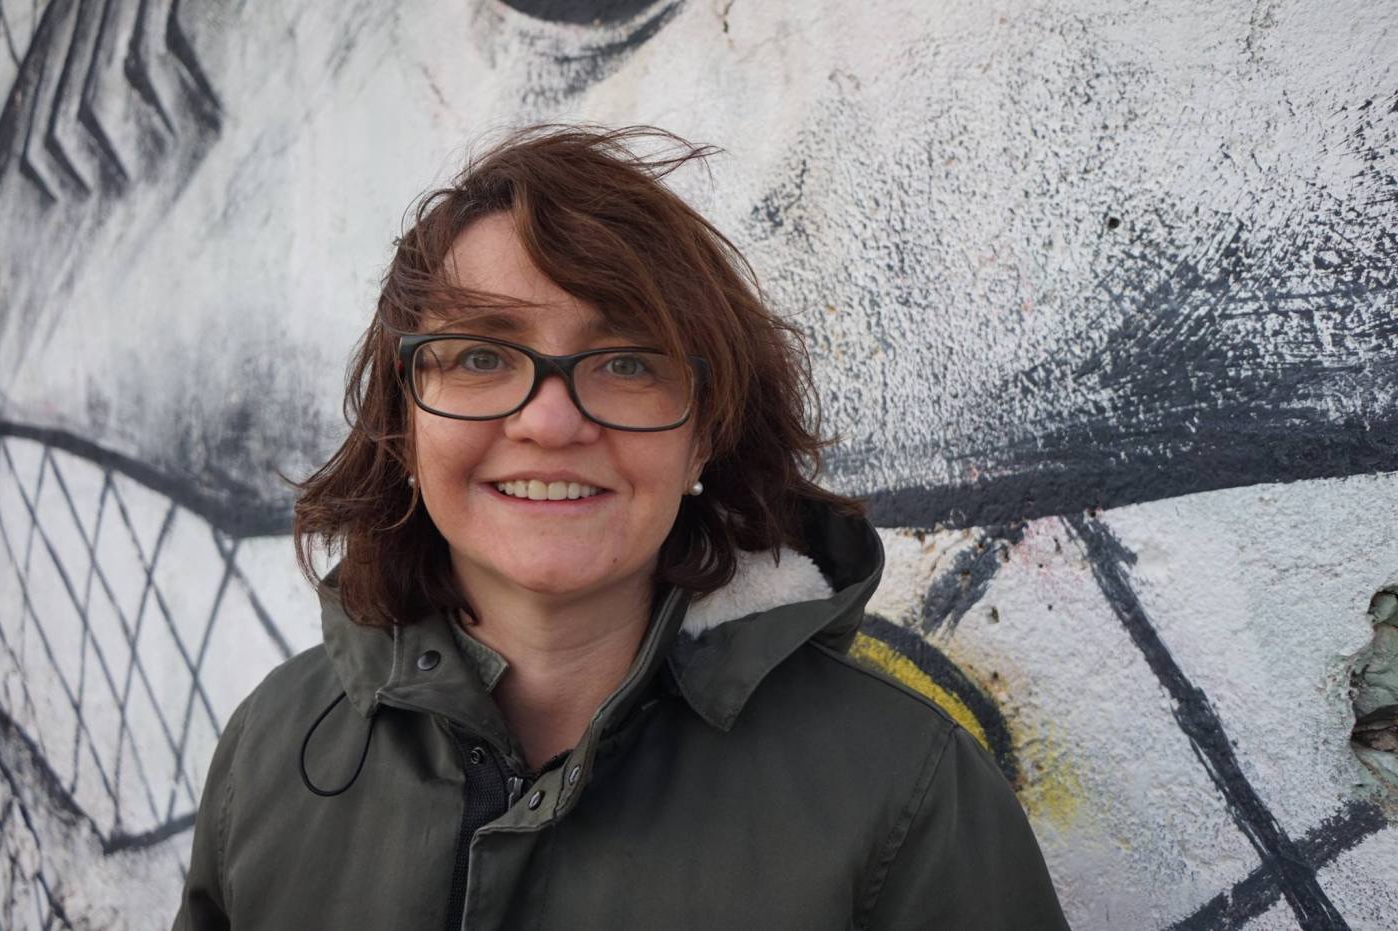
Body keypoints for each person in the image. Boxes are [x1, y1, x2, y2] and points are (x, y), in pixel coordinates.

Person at [173, 125, 1069, 930]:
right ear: (404, 423)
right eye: (481, 355)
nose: (550, 422)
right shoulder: (269, 747)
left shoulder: (905, 786)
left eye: (628, 363)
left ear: (703, 435)